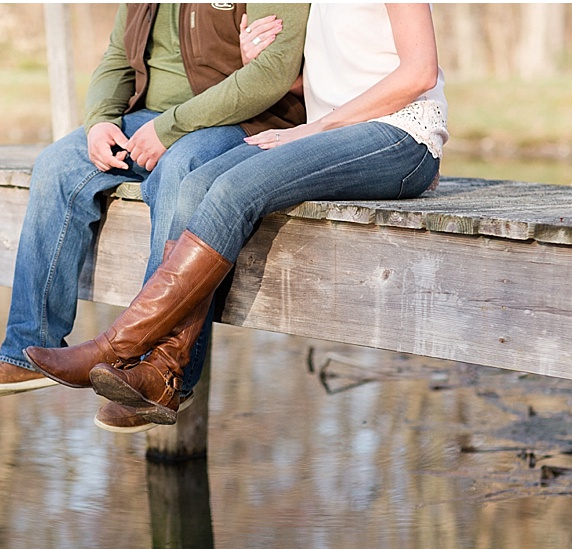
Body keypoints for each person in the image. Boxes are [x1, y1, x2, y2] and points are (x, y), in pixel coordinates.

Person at [24, 3, 448, 428]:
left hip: (399, 135)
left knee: (233, 190)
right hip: (333, 135)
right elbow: (336, 79)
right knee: (196, 183)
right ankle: (162, 372)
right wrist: (262, 65)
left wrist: (315, 128)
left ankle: (118, 346)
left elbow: (419, 73)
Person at [0, 4, 310, 432]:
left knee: (180, 172)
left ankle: (157, 375)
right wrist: (100, 121)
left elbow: (270, 76)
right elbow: (117, 58)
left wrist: (171, 128)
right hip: (149, 121)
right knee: (56, 165)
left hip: (243, 123)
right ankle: (27, 349)